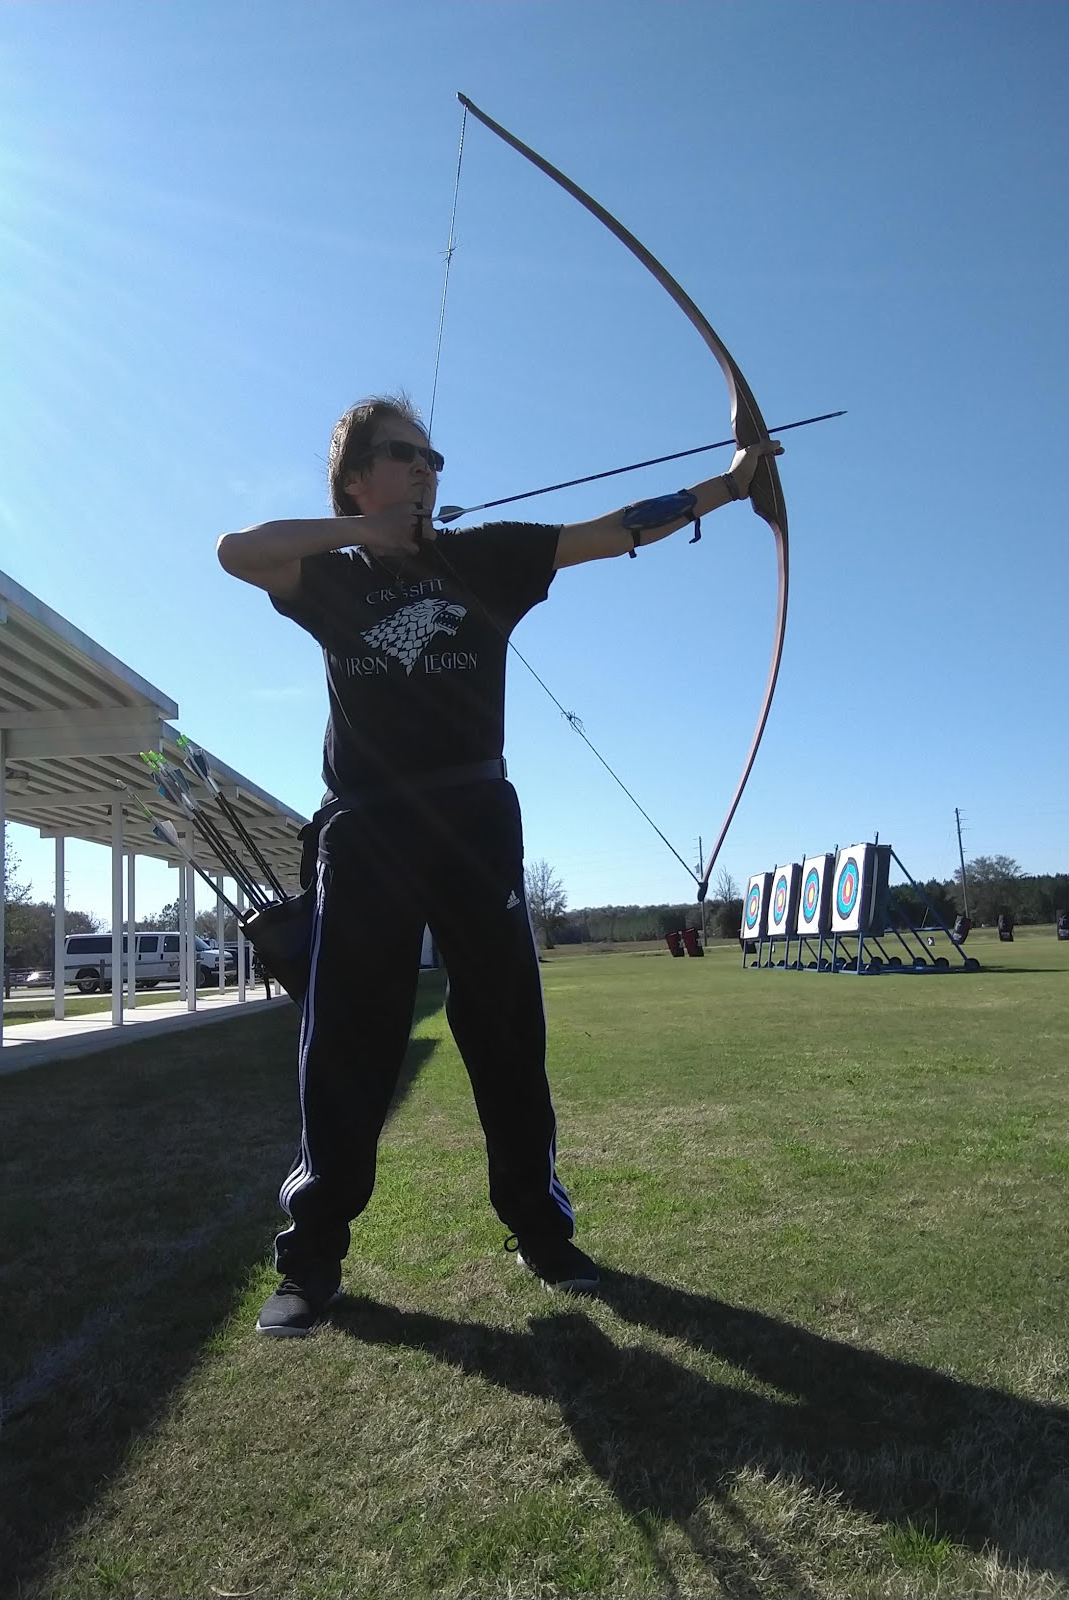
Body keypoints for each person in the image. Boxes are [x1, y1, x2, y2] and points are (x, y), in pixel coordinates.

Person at [217, 395, 781, 1336]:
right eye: (404, 454)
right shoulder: (330, 574)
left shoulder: (484, 557)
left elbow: (612, 531)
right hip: (367, 826)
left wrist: (727, 489)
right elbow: (236, 550)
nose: (427, 468)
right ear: (355, 477)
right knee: (347, 1042)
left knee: (507, 1028)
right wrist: (365, 533)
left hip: (474, 815)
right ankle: (312, 1260)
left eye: (434, 457)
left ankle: (540, 1230)